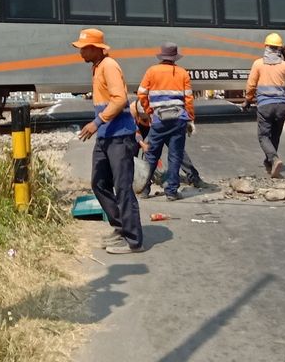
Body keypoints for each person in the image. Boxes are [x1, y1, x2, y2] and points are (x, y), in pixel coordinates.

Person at [73, 28, 144, 254]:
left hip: (119, 136)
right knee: (99, 183)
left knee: (123, 187)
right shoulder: (97, 67)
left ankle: (134, 241)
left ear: (96, 48)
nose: (80, 52)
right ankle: (120, 226)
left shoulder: (109, 66)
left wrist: (96, 122)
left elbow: (120, 99)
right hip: (106, 135)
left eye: (83, 48)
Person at [136, 42, 195, 201]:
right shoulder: (182, 73)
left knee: (151, 156)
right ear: (175, 57)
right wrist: (190, 118)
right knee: (175, 155)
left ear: (162, 56)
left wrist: (149, 110)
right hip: (178, 120)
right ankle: (171, 191)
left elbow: (141, 94)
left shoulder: (152, 71)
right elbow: (188, 99)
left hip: (159, 119)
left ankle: (144, 189)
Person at [243, 32, 285, 178]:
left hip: (265, 105)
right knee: (275, 135)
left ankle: (274, 158)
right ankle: (270, 162)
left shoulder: (258, 63)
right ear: (280, 49)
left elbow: (251, 85)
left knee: (263, 136)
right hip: (281, 106)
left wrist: (248, 100)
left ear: (266, 46)